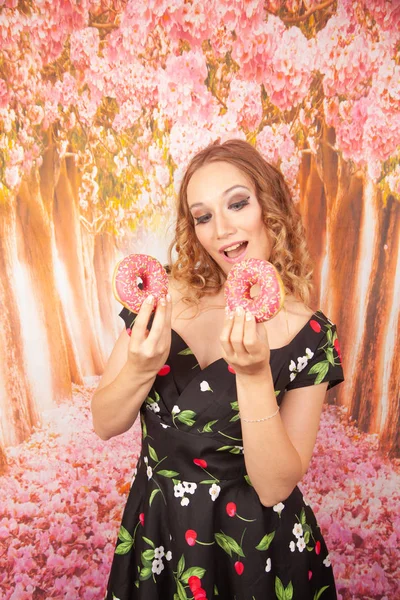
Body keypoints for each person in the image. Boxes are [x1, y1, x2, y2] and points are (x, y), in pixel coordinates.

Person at [92, 139, 344, 600]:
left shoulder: (309, 335)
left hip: (254, 552)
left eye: (237, 203)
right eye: (203, 216)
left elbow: (273, 486)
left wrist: (252, 377)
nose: (222, 229)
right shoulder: (164, 297)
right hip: (160, 535)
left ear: (270, 207)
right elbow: (105, 422)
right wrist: (140, 365)